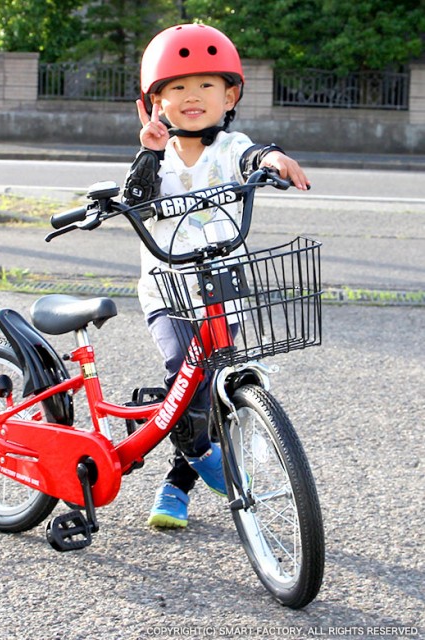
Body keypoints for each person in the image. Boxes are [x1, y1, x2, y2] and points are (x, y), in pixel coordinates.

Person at [122, 23, 310, 528]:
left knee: (213, 390)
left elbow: (253, 156)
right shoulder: (156, 159)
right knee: (183, 375)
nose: (192, 97)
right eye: (177, 87)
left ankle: (175, 484)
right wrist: (148, 150)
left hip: (223, 289)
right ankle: (198, 461)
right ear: (155, 102)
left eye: (206, 86)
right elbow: (135, 199)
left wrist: (272, 159)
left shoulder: (230, 148)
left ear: (230, 97)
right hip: (167, 290)